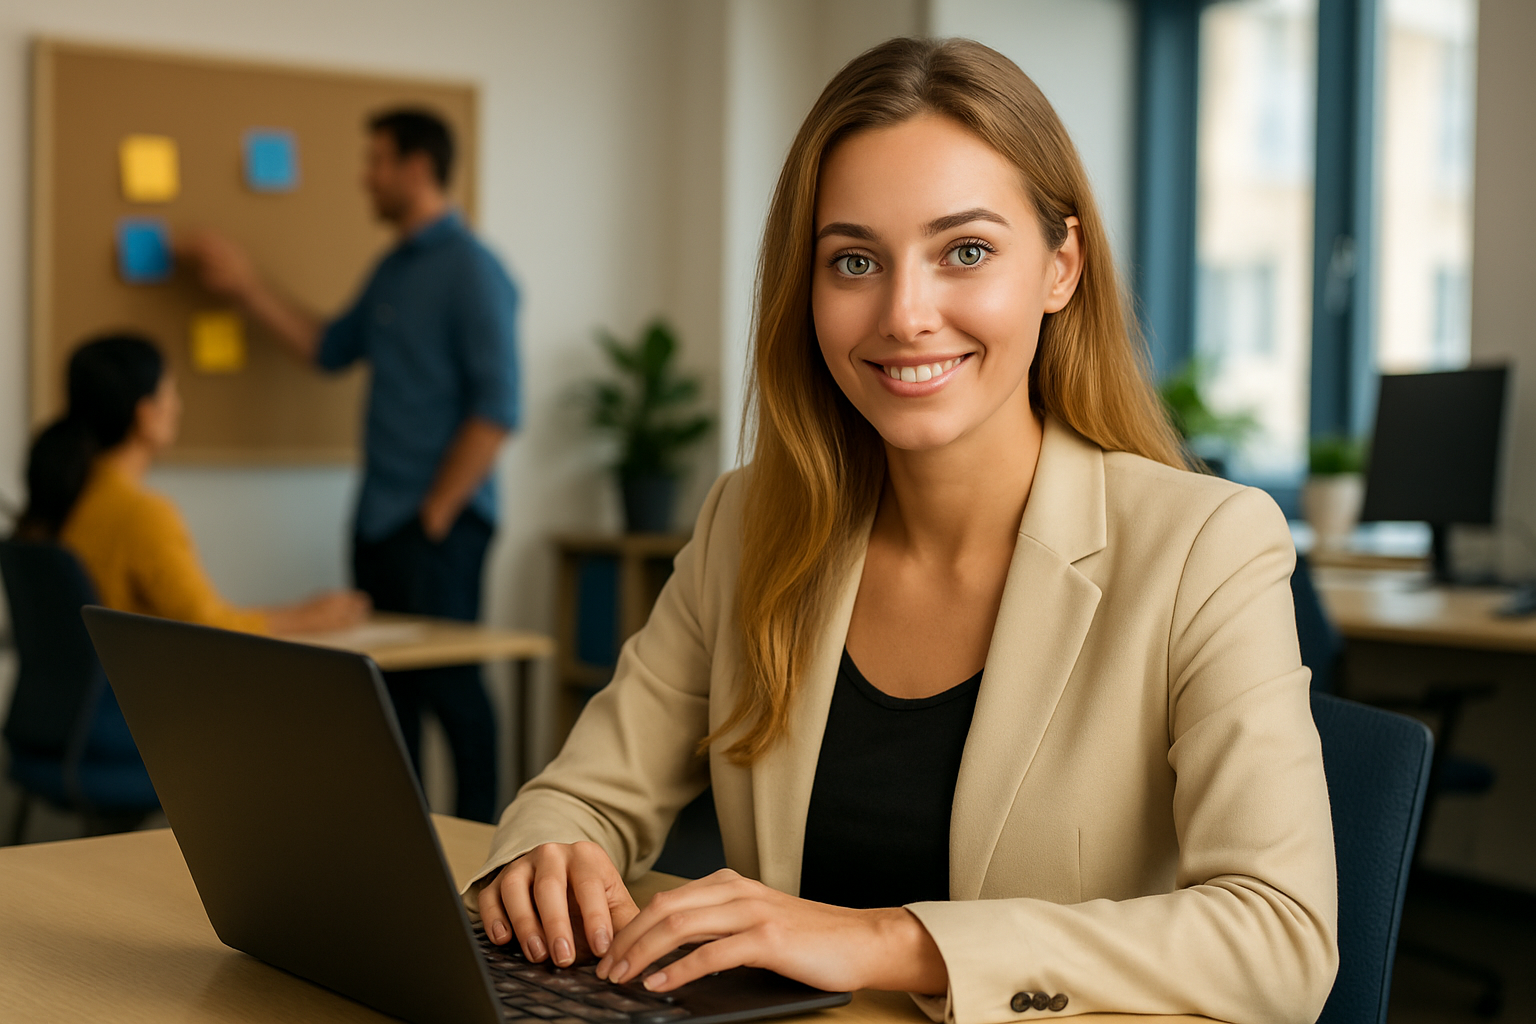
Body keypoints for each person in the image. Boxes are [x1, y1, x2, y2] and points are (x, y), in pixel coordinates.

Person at [464, 37, 1337, 1024]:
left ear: (1061, 267)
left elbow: (1281, 940)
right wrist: (548, 857)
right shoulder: (750, 522)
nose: (905, 314)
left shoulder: (1206, 546)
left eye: (965, 251)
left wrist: (890, 941)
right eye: (854, 261)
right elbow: (581, 794)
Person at [179, 108, 521, 823]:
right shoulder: (392, 269)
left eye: (378, 161)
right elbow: (328, 347)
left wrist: (434, 517)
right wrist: (246, 287)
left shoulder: (472, 270)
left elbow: (496, 411)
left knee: (454, 690)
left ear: (418, 168)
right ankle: (407, 846)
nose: (366, 177)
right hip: (377, 522)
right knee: (386, 698)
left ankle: (488, 846)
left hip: (437, 529)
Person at [14, 333, 369, 634]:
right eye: (170, 391)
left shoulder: (63, 493)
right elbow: (208, 630)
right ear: (146, 414)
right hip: (135, 693)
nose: (178, 406)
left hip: (81, 695)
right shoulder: (140, 515)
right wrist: (304, 617)